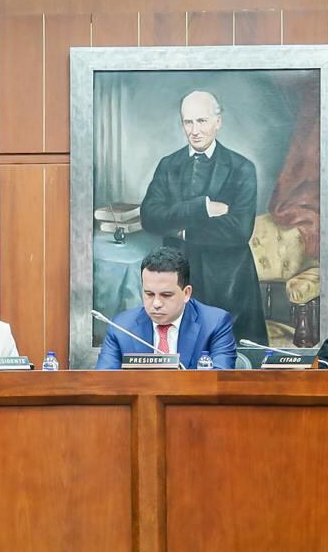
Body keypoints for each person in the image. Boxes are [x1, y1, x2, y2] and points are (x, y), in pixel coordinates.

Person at [139, 90, 268, 345]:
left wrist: (182, 230)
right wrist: (203, 208)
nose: (194, 130)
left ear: (217, 122)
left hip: (229, 280)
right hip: (178, 279)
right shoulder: (168, 165)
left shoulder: (242, 168)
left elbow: (239, 230)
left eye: (202, 121)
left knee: (234, 363)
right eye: (188, 122)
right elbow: (150, 217)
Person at [95, 246, 236, 370]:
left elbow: (219, 383)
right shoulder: (121, 327)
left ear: (186, 293)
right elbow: (103, 384)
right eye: (149, 294)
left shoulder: (215, 324)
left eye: (166, 295)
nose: (156, 303)